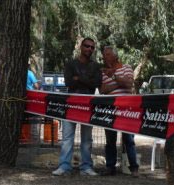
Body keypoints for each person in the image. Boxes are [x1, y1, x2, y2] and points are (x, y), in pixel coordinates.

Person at [52, 38, 101, 176]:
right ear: (81, 46)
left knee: (87, 138)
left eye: (92, 47)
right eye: (87, 46)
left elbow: (96, 84)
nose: (89, 49)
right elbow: (68, 83)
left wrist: (78, 79)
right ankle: (64, 166)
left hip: (88, 105)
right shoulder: (70, 64)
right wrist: (86, 81)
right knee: (67, 137)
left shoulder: (96, 66)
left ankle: (86, 167)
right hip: (71, 104)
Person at [99, 45, 139, 177]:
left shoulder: (126, 67)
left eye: (108, 54)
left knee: (129, 139)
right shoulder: (103, 72)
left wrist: (114, 78)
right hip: (110, 109)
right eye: (104, 55)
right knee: (110, 139)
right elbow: (103, 90)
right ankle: (110, 167)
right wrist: (118, 82)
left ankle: (134, 168)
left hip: (127, 109)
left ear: (116, 56)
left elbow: (129, 83)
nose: (105, 57)